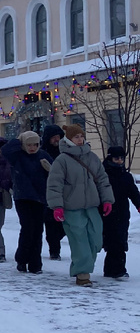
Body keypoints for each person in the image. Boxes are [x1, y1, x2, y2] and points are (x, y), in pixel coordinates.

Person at [46, 124, 114, 287]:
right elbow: (55, 184)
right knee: (80, 241)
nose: (80, 139)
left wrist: (107, 200)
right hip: (71, 208)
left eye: (81, 136)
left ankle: (82, 267)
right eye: (76, 137)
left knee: (96, 239)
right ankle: (83, 275)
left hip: (91, 206)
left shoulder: (92, 157)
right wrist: (57, 206)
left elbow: (103, 179)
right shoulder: (62, 160)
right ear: (69, 139)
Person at [1, 130, 54, 274]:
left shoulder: (43, 155)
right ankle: (22, 260)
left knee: (38, 231)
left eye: (35, 144)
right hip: (23, 197)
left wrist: (50, 170)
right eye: (29, 144)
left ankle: (35, 264)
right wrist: (18, 140)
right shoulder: (17, 156)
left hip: (40, 198)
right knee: (28, 228)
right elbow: (5, 151)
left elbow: (57, 172)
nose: (32, 148)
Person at [101, 145, 140, 279]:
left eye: (121, 158)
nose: (119, 161)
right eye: (116, 158)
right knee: (112, 241)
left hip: (122, 213)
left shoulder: (126, 176)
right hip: (106, 212)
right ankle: (115, 270)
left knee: (120, 241)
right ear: (110, 158)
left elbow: (134, 193)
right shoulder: (103, 175)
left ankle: (116, 270)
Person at [40, 123, 66, 260]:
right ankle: (54, 250)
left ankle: (57, 240)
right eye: (54, 137)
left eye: (59, 137)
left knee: (64, 223)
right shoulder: (42, 153)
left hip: (65, 192)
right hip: (47, 193)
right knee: (51, 223)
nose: (57, 140)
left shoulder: (65, 152)